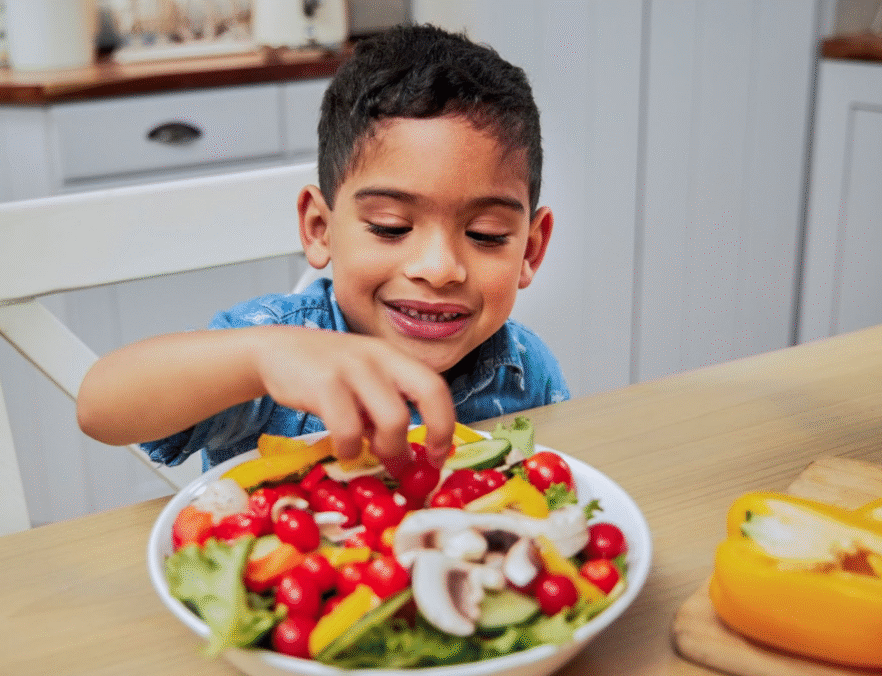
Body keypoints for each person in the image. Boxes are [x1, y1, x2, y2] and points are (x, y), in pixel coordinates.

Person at [76, 24, 569, 477]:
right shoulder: (276, 352)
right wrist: (258, 361)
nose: (439, 269)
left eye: (486, 234)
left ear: (530, 248)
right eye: (390, 226)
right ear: (319, 228)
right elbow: (100, 407)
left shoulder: (527, 369)